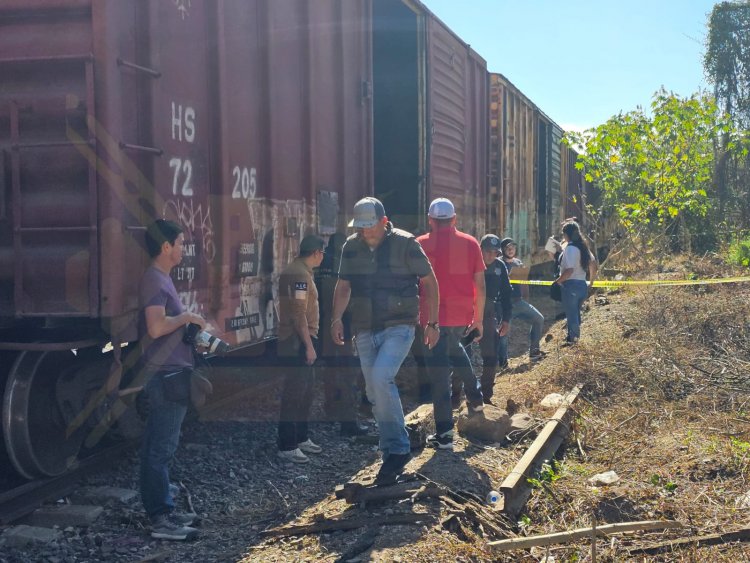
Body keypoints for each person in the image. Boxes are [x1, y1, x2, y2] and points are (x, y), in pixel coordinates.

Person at [331, 197, 439, 484]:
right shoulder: (351, 247)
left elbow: (429, 281)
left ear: (384, 220)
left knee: (381, 378)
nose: (365, 232)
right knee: (373, 390)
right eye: (361, 227)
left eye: (370, 226)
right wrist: (336, 318)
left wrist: (433, 323)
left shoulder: (406, 243)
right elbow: (343, 286)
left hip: (399, 325)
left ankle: (397, 450)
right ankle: (391, 446)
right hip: (364, 327)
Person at [139, 219, 205, 541]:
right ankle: (161, 520)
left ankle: (161, 509)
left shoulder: (160, 278)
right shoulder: (155, 279)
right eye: (180, 243)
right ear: (166, 247)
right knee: (161, 448)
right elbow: (155, 327)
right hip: (167, 375)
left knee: (159, 446)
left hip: (169, 372)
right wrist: (187, 317)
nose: (182, 248)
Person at [417, 198, 486, 451]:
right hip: (461, 316)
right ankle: (475, 395)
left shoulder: (421, 244)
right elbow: (480, 284)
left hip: (431, 320)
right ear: (454, 219)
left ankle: (444, 435)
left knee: (439, 378)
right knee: (458, 351)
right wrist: (478, 318)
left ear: (430, 220)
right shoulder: (470, 243)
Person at [277, 234, 326, 464]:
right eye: (322, 253)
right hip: (297, 340)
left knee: (305, 391)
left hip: (300, 338)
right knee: (295, 393)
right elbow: (298, 313)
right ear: (316, 252)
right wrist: (308, 346)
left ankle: (301, 436)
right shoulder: (299, 275)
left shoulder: (301, 270)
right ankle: (287, 445)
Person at [315, 232, 367, 437]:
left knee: (329, 368)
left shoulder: (320, 265)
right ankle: (348, 421)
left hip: (323, 325)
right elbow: (350, 298)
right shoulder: (346, 266)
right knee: (348, 373)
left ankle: (330, 409)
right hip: (344, 326)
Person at [478, 234, 512, 404]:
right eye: (487, 251)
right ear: (480, 249)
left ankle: (486, 395)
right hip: (468, 312)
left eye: (495, 252)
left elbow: (507, 293)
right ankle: (456, 394)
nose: (491, 255)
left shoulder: (500, 267)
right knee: (460, 354)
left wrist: (506, 319)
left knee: (491, 356)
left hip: (488, 314)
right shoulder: (471, 262)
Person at [499, 238, 546, 362]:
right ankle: (502, 363)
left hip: (518, 302)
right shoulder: (498, 264)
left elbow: (524, 283)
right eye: (508, 248)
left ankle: (534, 352)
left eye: (513, 248)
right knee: (503, 333)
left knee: (539, 319)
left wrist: (526, 300)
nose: (510, 250)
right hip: (504, 305)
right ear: (502, 249)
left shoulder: (518, 263)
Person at [552, 221, 598, 344]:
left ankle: (574, 341)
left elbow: (569, 271)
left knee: (572, 315)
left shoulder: (570, 248)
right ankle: (572, 337)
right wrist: (591, 282)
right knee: (576, 313)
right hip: (582, 285)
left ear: (566, 235)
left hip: (570, 286)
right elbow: (593, 265)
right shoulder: (583, 247)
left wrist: (557, 282)